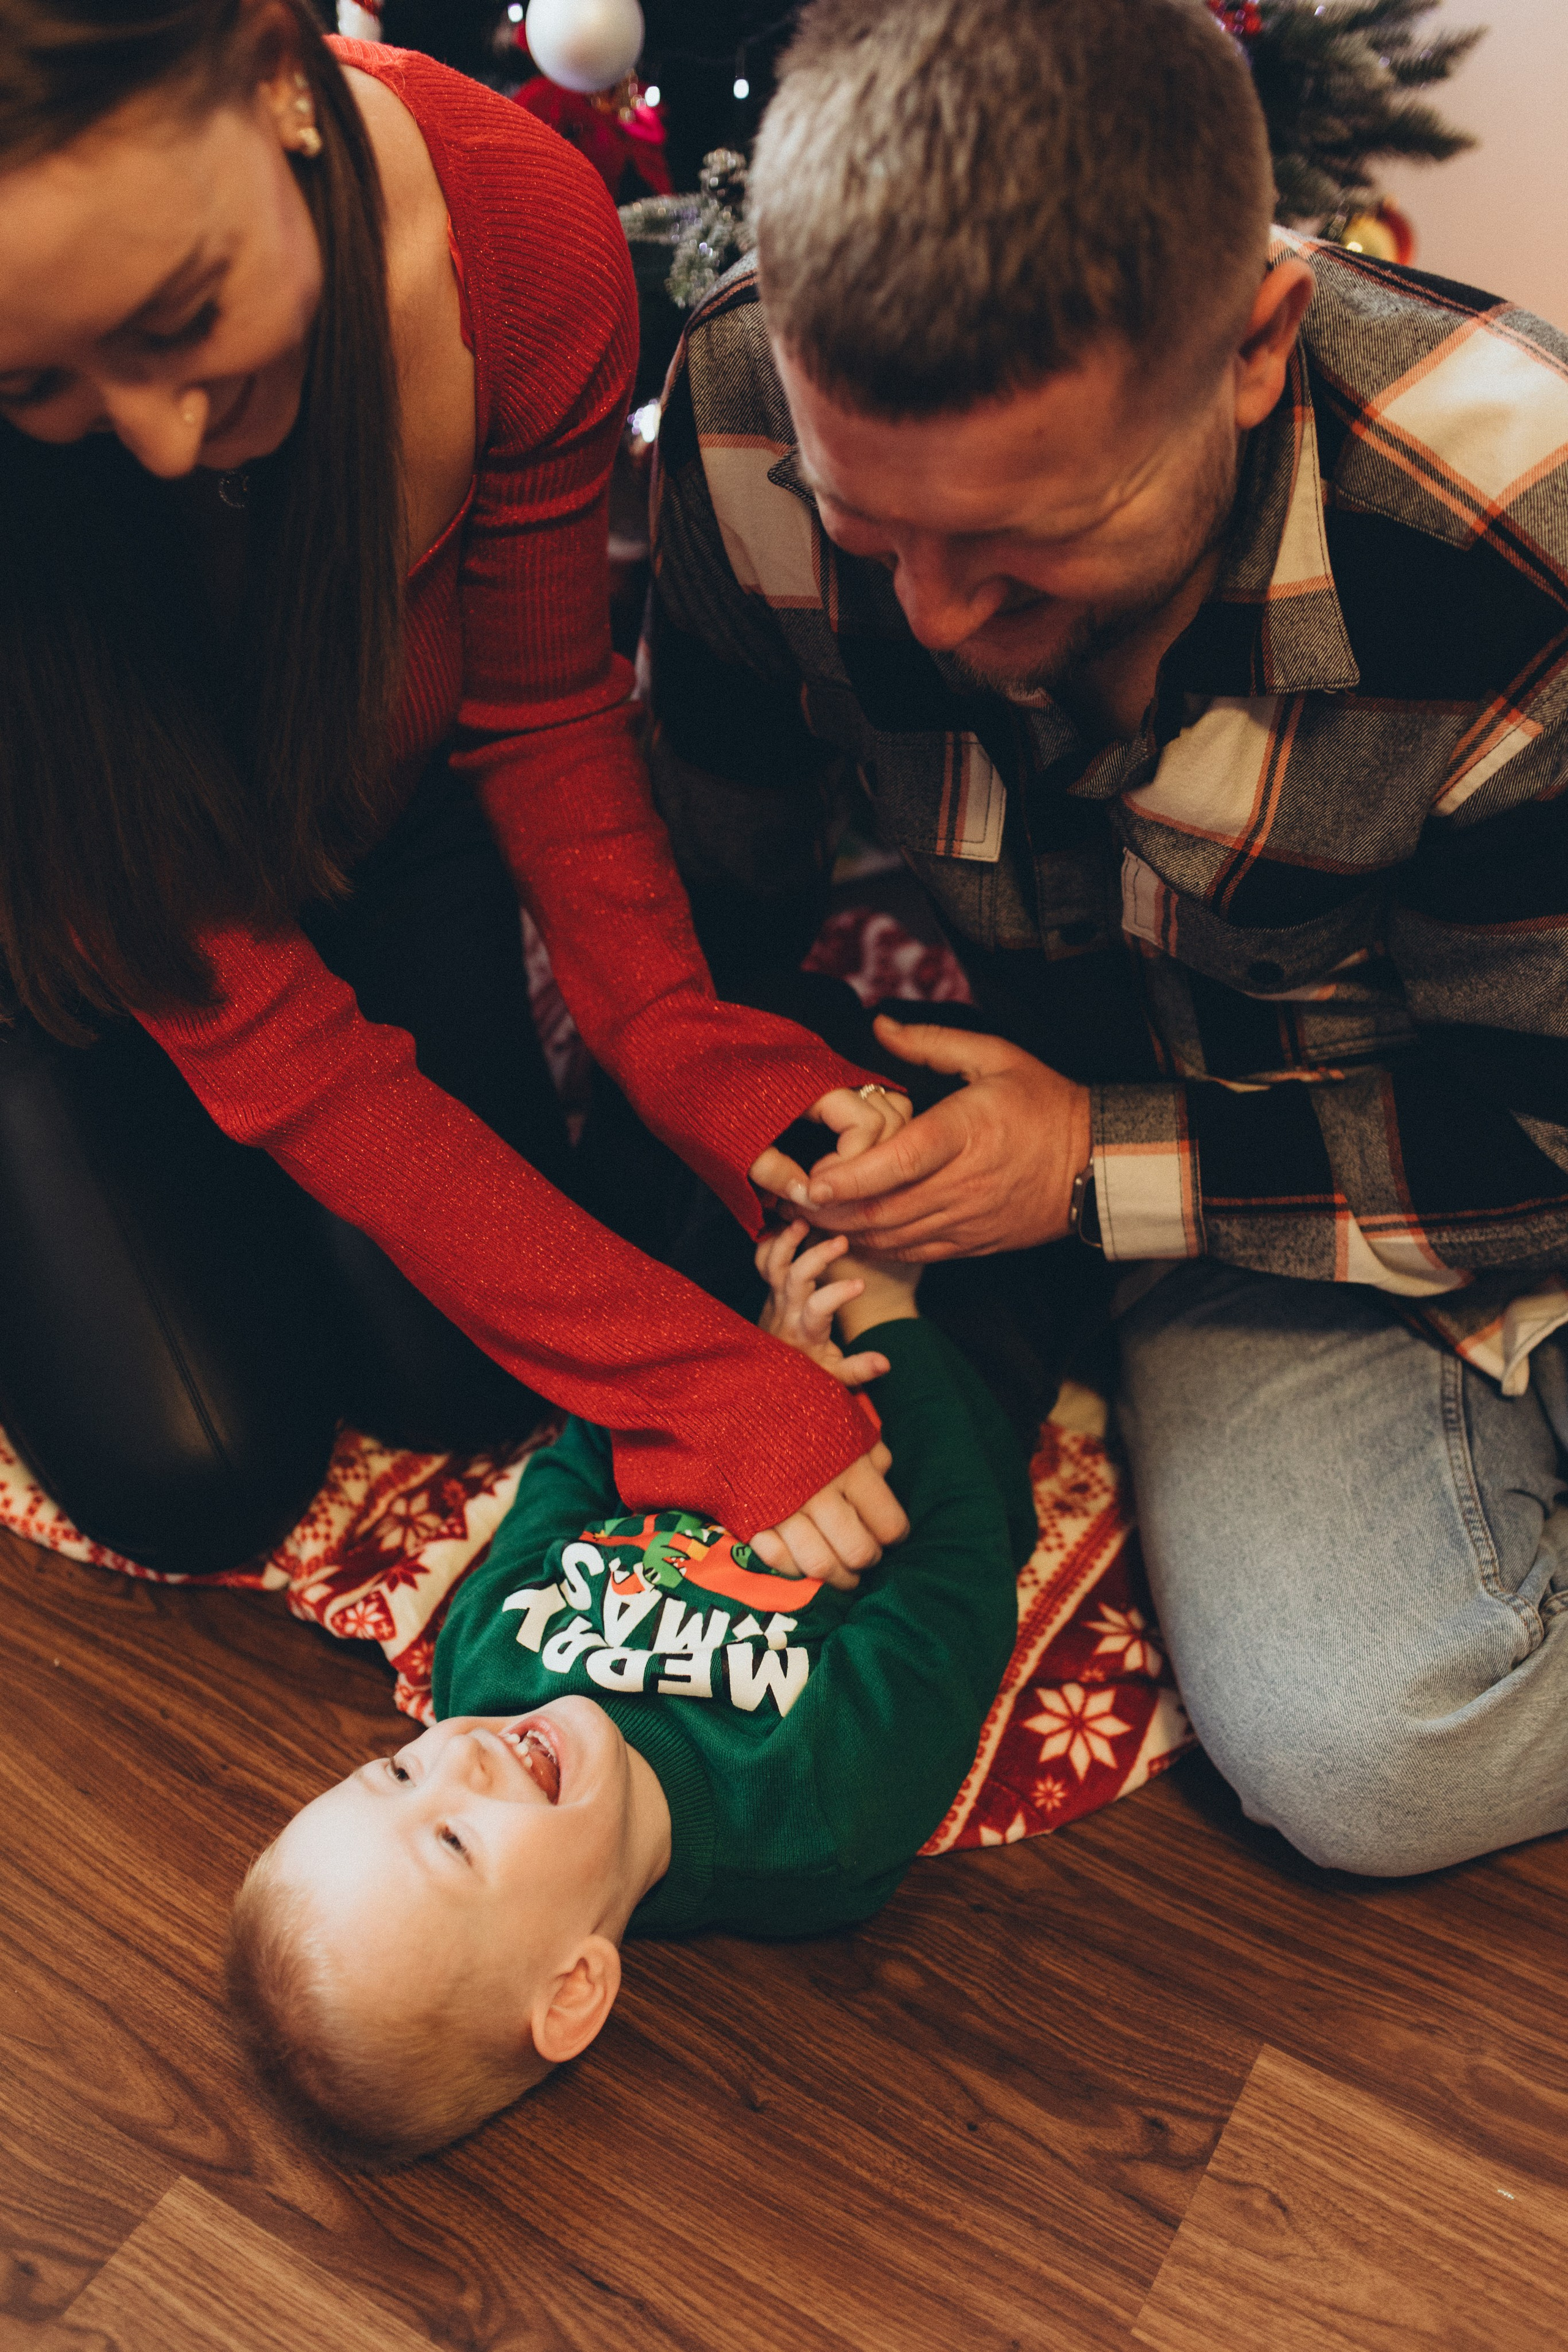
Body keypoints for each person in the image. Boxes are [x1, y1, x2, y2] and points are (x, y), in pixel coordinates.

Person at [642, 0, 1568, 1878]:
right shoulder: (746, 400)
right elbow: (711, 894)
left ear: (1254, 347)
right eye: (868, 528)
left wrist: (1089, 1164)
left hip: (1483, 1103)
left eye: (1031, 545)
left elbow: (1543, 1135)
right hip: (1221, 1170)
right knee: (1367, 1754)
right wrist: (776, 1192)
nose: (931, 620)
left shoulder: (1514, 536)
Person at [0, 0, 914, 1580]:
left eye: (180, 314)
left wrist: (687, 1051)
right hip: (75, 904)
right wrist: (690, 1382)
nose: (153, 444)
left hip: (365, 818)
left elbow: (543, 707)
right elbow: (270, 1041)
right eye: (34, 388)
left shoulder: (518, 229)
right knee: (204, 1468)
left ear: (278, 78)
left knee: (466, 1384)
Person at [225, 1222, 1035, 2162]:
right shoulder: (819, 1809)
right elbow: (958, 1571)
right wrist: (888, 1321)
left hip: (728, 1362)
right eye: (452, 1839)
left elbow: (571, 1479)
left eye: (397, 1772)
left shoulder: (486, 1668)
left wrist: (739, 1366)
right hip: (935, 1398)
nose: (458, 1754)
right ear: (574, 1988)